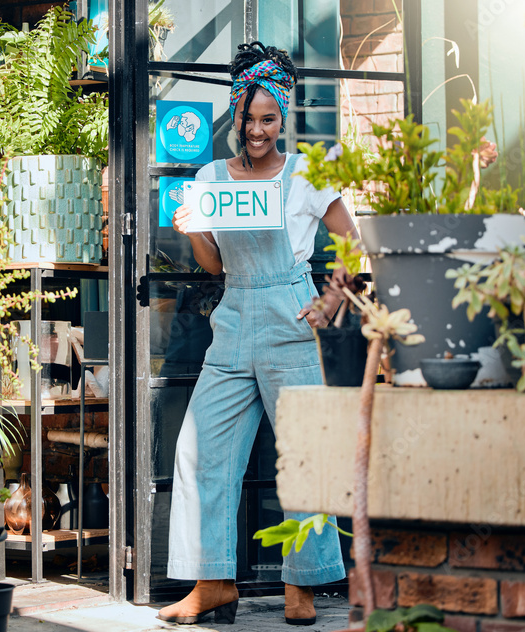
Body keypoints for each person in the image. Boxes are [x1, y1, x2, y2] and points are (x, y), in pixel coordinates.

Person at [156, 41, 358, 626]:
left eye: (270, 119)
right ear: (236, 113)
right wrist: (191, 227)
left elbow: (352, 243)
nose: (259, 129)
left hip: (289, 320)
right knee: (201, 451)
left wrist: (329, 301)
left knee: (299, 456)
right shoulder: (212, 176)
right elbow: (215, 265)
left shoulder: (306, 174)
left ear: (283, 119)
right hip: (233, 319)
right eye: (250, 117)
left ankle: (302, 587)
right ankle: (213, 582)